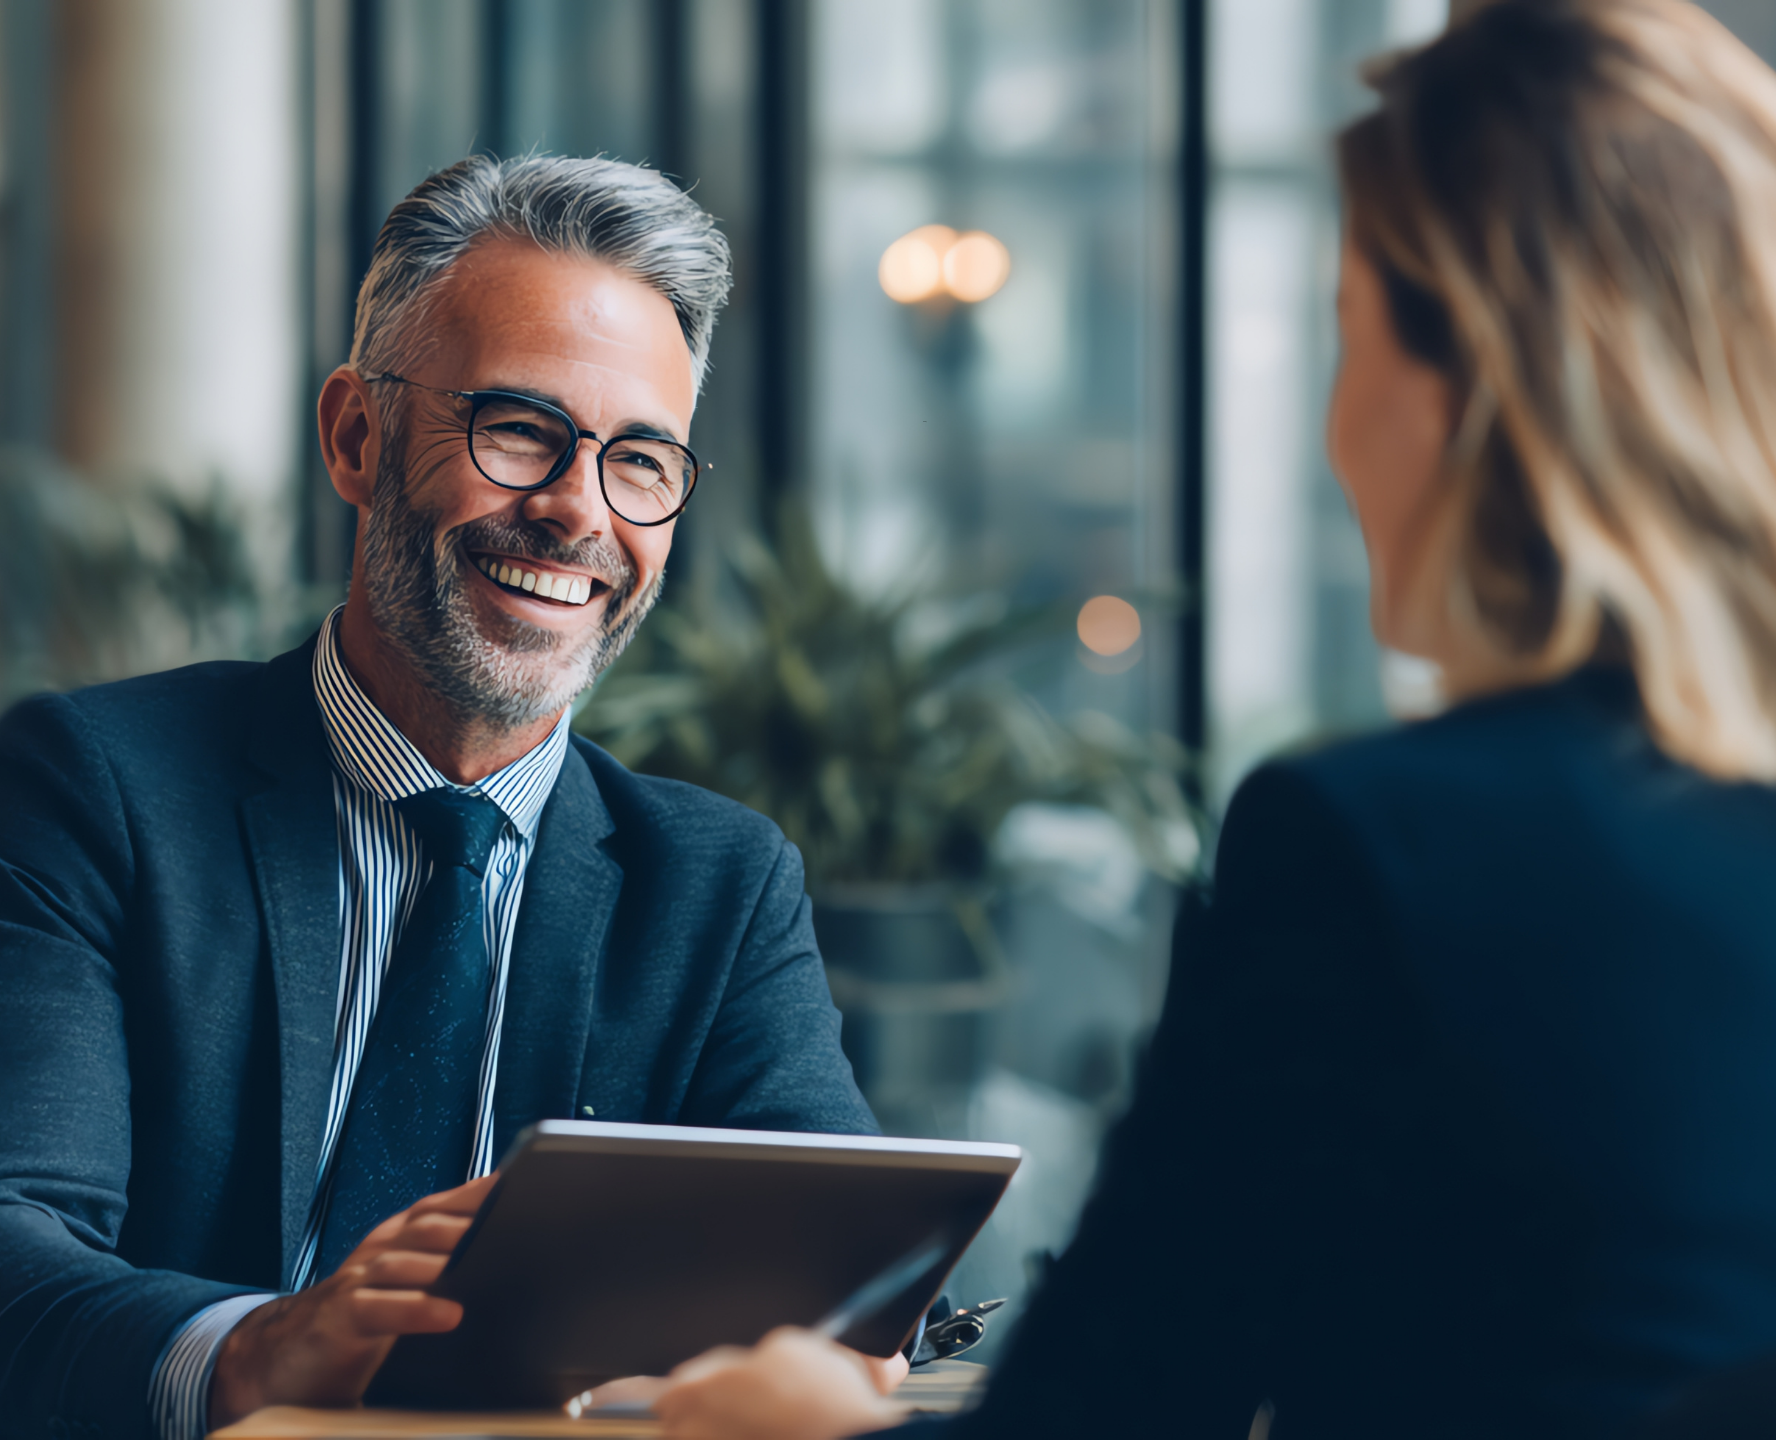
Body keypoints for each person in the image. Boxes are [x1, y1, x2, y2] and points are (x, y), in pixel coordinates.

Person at [644, 2, 1776, 1437]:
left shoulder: (1383, 853)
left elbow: (1108, 1416)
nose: (1332, 418)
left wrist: (795, 1421)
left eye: (1347, 335)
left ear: (1471, 389)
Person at [0, 156, 881, 1440]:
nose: (577, 511)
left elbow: (832, 1278)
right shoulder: (95, 785)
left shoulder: (721, 887)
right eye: (519, 428)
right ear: (355, 435)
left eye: (641, 462)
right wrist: (264, 1352)